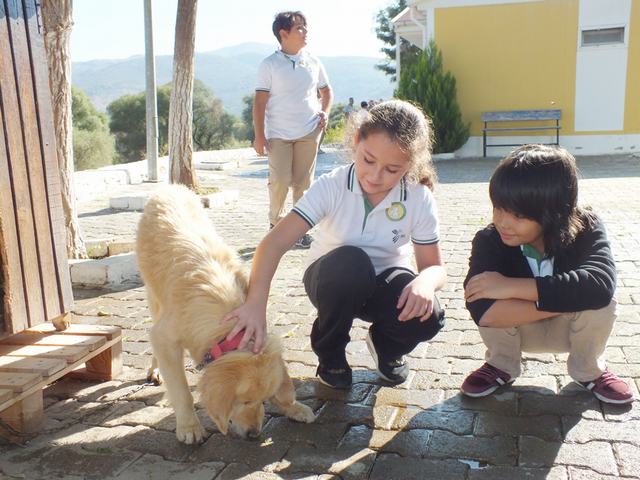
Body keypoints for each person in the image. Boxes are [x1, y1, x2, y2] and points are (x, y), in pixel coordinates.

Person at [225, 100, 446, 389]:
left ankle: (386, 349)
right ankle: (331, 354)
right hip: (333, 281)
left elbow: (435, 268)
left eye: (392, 169)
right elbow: (274, 243)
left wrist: (425, 283)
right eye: (368, 160)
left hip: (385, 283)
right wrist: (255, 304)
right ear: (356, 141)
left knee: (431, 315)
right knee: (351, 263)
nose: (376, 176)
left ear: (410, 165)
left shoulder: (418, 197)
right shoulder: (331, 186)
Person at [462, 144, 633, 404]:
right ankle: (501, 365)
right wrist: (568, 300)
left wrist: (510, 287)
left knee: (603, 303)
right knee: (490, 295)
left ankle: (589, 370)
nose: (502, 221)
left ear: (555, 212)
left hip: (570, 332)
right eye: (498, 207)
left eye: (518, 214)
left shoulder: (586, 227)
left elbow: (600, 285)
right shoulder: (489, 239)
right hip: (519, 331)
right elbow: (482, 310)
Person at [253, 11, 333, 248]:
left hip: (309, 130)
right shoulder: (269, 65)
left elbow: (327, 92)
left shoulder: (314, 61)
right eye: (299, 28)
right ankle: (276, 223)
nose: (305, 31)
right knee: (280, 179)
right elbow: (259, 103)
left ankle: (299, 230)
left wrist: (325, 113)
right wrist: (259, 136)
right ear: (283, 33)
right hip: (278, 133)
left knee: (303, 183)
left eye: (305, 27)